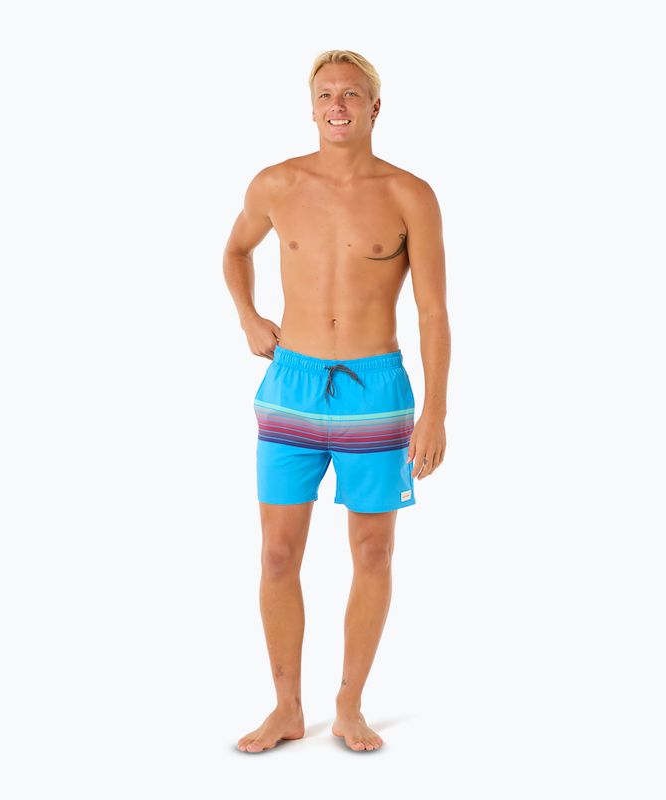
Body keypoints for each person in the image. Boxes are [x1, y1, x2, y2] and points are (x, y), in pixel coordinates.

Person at [223, 49, 450, 753]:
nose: (338, 106)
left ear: (375, 107)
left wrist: (436, 412)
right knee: (276, 555)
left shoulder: (410, 194)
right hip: (290, 385)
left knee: (372, 552)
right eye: (326, 95)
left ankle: (349, 706)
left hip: (375, 392)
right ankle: (287, 708)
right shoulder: (276, 183)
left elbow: (434, 312)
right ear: (312, 106)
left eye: (351, 94)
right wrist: (249, 317)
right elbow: (235, 251)